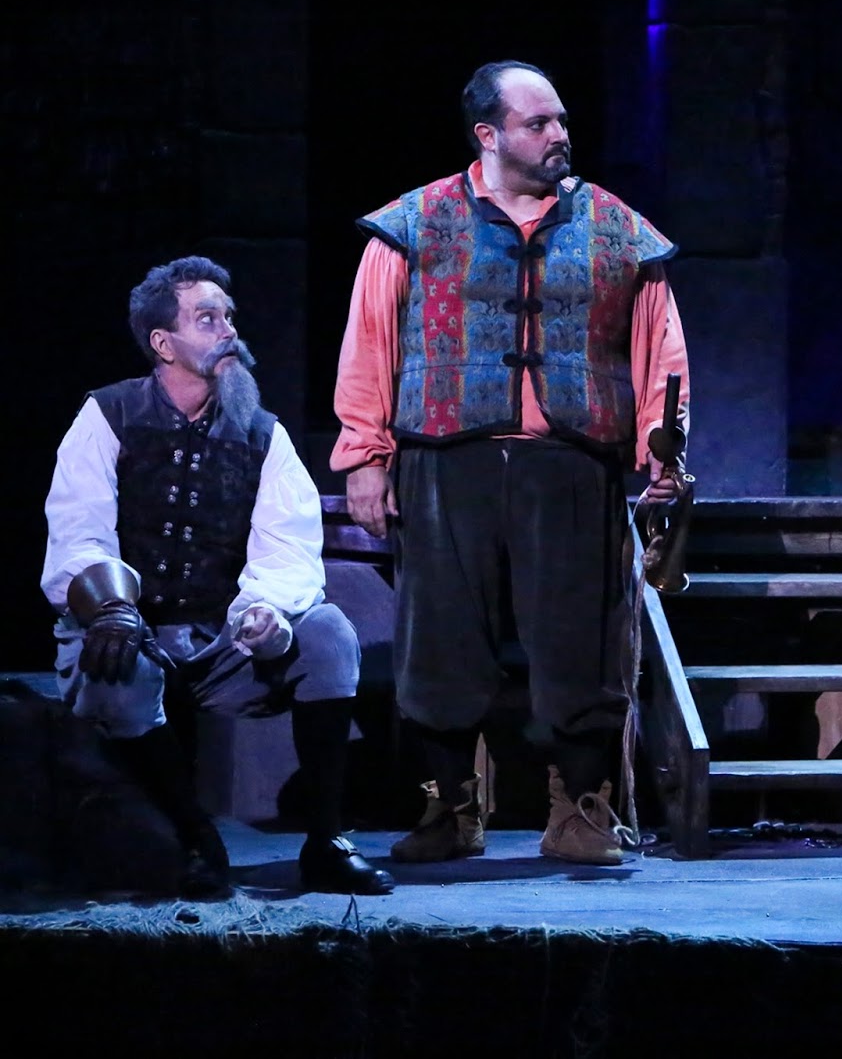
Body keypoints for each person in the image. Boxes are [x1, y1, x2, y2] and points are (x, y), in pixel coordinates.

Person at [332, 60, 689, 868]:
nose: (559, 135)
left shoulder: (616, 227)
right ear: (488, 135)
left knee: (581, 645)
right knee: (441, 643)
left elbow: (659, 350)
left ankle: (582, 812)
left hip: (570, 463)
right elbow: (370, 341)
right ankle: (448, 810)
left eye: (561, 120)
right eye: (539, 123)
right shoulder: (415, 223)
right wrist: (364, 455)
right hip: (445, 461)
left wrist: (661, 450)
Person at [43, 256, 395, 898]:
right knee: (118, 668)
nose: (228, 329)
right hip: (131, 631)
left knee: (328, 634)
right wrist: (112, 608)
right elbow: (78, 528)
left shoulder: (262, 433)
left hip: (220, 640)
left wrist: (264, 609)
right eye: (206, 318)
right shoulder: (108, 414)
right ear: (163, 343)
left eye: (229, 316)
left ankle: (326, 841)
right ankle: (196, 837)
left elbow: (288, 544)